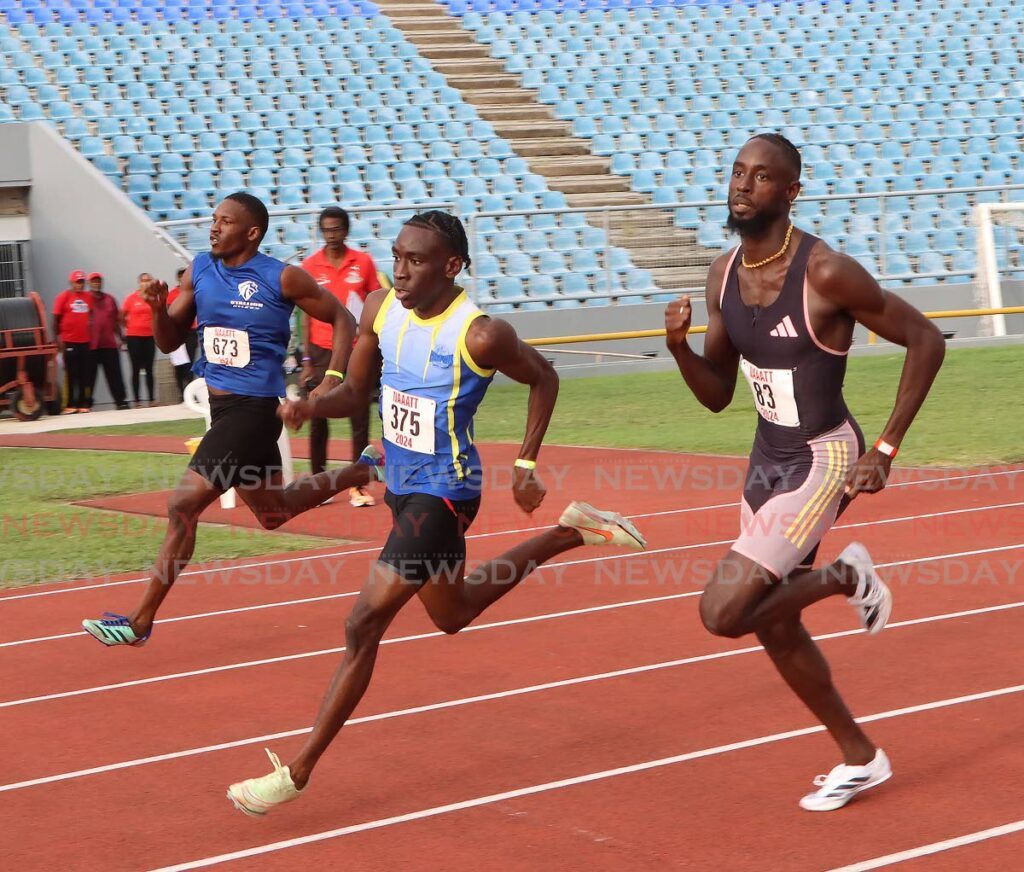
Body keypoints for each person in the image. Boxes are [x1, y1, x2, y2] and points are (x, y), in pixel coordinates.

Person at [226, 211, 646, 816]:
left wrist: (525, 465)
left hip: (445, 491)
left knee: (362, 624)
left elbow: (545, 378)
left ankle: (296, 773)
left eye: (415, 261)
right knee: (454, 613)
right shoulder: (378, 307)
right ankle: (570, 532)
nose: (399, 270)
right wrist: (311, 407)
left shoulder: (480, 334)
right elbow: (354, 392)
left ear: (452, 267)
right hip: (395, 472)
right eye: (396, 256)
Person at [663, 134, 945, 811]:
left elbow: (927, 340)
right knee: (773, 623)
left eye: (763, 177)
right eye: (738, 172)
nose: (744, 185)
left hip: (824, 456)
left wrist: (886, 449)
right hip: (765, 463)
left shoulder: (826, 273)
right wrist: (676, 348)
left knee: (723, 611)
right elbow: (718, 394)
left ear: (791, 191)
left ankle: (844, 574)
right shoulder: (722, 276)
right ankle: (861, 758)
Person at [82, 193, 364, 647]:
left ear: (251, 233)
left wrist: (330, 378)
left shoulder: (281, 277)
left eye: (225, 221)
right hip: (222, 410)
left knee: (182, 505)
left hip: (254, 411)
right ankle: (360, 469)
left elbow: (342, 317)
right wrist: (157, 308)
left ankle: (139, 620)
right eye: (214, 220)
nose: (214, 228)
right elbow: (169, 339)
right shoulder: (200, 270)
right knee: (275, 512)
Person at [300, 207, 381, 507]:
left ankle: (358, 485)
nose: (332, 235)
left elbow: (376, 302)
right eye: (327, 229)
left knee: (359, 417)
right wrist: (307, 361)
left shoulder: (363, 262)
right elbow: (305, 316)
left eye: (337, 229)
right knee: (318, 416)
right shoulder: (310, 266)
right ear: (321, 232)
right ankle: (318, 481)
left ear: (346, 230)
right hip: (322, 351)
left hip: (358, 349)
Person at [85, 272, 129, 410]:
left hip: (109, 343)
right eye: (93, 281)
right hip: (91, 345)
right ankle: (86, 403)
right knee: (89, 377)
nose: (96, 283)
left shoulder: (110, 299)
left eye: (98, 281)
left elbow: (116, 320)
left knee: (115, 374)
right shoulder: (85, 300)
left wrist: (121, 336)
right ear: (89, 283)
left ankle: (120, 401)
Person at [52, 270, 93, 413]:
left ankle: (82, 404)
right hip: (69, 341)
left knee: (84, 373)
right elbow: (55, 320)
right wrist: (58, 339)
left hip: (85, 341)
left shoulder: (88, 297)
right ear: (71, 283)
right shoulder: (63, 297)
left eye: (82, 282)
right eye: (77, 282)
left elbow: (91, 315)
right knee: (71, 373)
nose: (80, 285)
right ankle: (70, 404)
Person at [121, 272, 157, 407]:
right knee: (135, 368)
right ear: (139, 283)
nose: (146, 283)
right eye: (143, 280)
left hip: (149, 336)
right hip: (134, 337)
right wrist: (129, 327)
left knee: (149, 368)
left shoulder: (154, 298)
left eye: (148, 280)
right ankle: (136, 400)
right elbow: (121, 316)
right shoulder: (131, 298)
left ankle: (152, 399)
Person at [167, 266, 199, 399]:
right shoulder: (172, 293)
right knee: (179, 364)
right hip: (178, 331)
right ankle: (182, 393)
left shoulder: (194, 292)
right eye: (181, 276)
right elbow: (169, 312)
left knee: (190, 362)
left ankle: (190, 391)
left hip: (191, 331)